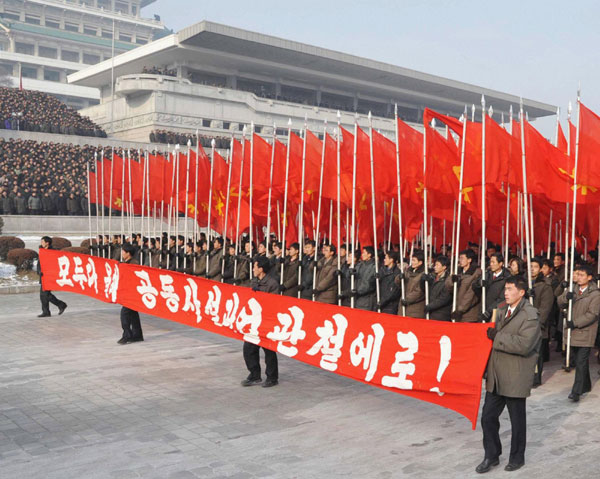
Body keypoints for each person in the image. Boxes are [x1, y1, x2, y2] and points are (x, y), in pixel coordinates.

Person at [477, 276, 541, 473]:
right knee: (487, 417)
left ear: (521, 292)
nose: (506, 292)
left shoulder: (530, 315)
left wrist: (498, 337)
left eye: (510, 289)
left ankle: (517, 457)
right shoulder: (502, 311)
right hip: (496, 375)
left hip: (515, 375)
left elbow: (524, 345)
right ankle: (491, 455)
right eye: (505, 288)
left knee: (517, 421)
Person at [557, 264, 600, 402]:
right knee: (580, 361)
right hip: (572, 332)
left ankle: (576, 391)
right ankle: (586, 385)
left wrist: (575, 322)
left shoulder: (595, 294)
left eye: (582, 275)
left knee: (580, 362)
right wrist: (565, 298)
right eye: (577, 275)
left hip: (586, 331)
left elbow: (592, 314)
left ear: (589, 277)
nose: (578, 278)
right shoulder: (572, 289)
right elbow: (559, 302)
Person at [241, 256, 279, 387]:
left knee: (269, 350)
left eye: (255, 267)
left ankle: (272, 377)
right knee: (248, 349)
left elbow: (274, 303)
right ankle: (254, 375)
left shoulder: (272, 284)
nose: (253, 269)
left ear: (261, 269)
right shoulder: (254, 281)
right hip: (254, 321)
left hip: (267, 321)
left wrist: (261, 294)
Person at [530, 257, 555, 387]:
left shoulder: (545, 285)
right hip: (524, 322)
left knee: (537, 353)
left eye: (534, 266)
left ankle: (536, 377)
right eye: (530, 266)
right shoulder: (525, 282)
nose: (531, 269)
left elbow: (545, 307)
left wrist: (538, 322)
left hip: (537, 323)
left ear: (540, 269)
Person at [118, 244, 144, 345]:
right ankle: (137, 335)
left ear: (128, 253)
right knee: (133, 314)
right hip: (129, 292)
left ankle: (127, 335)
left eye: (123, 252)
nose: (122, 254)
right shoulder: (126, 263)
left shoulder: (134, 264)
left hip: (133, 293)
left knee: (124, 314)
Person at [446, 249, 481, 322]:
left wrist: (460, 309)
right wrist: (453, 281)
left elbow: (471, 294)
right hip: (455, 308)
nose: (460, 260)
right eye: (459, 258)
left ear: (469, 260)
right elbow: (448, 286)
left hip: (469, 313)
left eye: (462, 258)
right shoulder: (457, 271)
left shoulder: (476, 273)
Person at [473, 253, 510, 322]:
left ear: (500, 263)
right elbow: (475, 288)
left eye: (493, 262)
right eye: (490, 262)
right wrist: (478, 284)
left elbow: (502, 299)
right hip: (482, 309)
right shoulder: (486, 274)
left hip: (496, 312)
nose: (491, 264)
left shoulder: (506, 278)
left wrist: (489, 311)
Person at [37, 236, 67, 317]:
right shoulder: (41, 251)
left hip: (49, 275)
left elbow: (55, 264)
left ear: (47, 243)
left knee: (44, 294)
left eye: (43, 242)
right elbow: (39, 263)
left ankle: (58, 306)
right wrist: (39, 271)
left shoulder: (53, 252)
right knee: (44, 295)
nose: (41, 243)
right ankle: (58, 306)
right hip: (42, 275)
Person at [423, 255, 452, 321]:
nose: (435, 267)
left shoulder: (448, 280)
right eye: (435, 265)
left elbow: (444, 298)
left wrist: (430, 306)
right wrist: (423, 281)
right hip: (430, 312)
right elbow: (425, 290)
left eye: (437, 265)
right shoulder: (432, 277)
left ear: (444, 267)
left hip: (441, 314)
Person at [398, 251, 425, 317]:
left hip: (415, 309)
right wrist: (399, 277)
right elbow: (398, 282)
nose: (412, 262)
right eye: (411, 260)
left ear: (420, 262)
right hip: (403, 305)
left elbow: (419, 291)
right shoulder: (408, 270)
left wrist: (406, 299)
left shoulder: (424, 274)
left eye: (414, 260)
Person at [354, 246, 376, 311]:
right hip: (356, 297)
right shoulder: (360, 264)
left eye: (364, 253)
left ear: (369, 255)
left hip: (366, 299)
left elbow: (368, 283)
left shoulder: (373, 267)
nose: (362, 255)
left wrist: (357, 291)